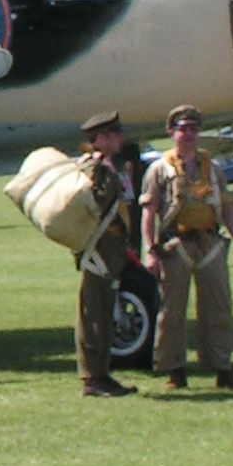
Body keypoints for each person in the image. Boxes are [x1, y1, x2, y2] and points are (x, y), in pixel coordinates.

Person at [140, 104, 233, 390]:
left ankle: (222, 369)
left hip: (211, 243)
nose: (188, 134)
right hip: (175, 245)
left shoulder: (212, 168)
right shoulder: (159, 169)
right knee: (172, 311)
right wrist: (150, 250)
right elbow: (149, 213)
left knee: (219, 308)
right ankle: (174, 370)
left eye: (193, 129)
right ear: (171, 132)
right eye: (182, 129)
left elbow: (228, 209)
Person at [72, 110, 139, 397]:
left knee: (105, 309)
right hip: (97, 249)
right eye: (114, 133)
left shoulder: (112, 166)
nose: (120, 137)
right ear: (101, 139)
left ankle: (102, 373)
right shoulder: (95, 168)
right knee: (94, 313)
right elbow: (94, 205)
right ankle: (91, 377)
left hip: (111, 249)